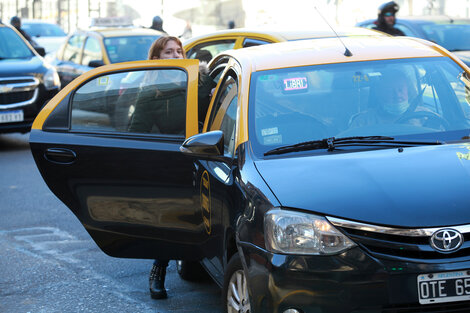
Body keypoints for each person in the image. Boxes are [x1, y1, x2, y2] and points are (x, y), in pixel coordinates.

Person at [128, 36, 214, 299]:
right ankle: (158, 269)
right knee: (171, 216)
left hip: (211, 154)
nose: (176, 55)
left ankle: (207, 262)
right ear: (156, 59)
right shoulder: (149, 95)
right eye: (169, 52)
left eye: (179, 51)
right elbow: (135, 134)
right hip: (175, 159)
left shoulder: (201, 79)